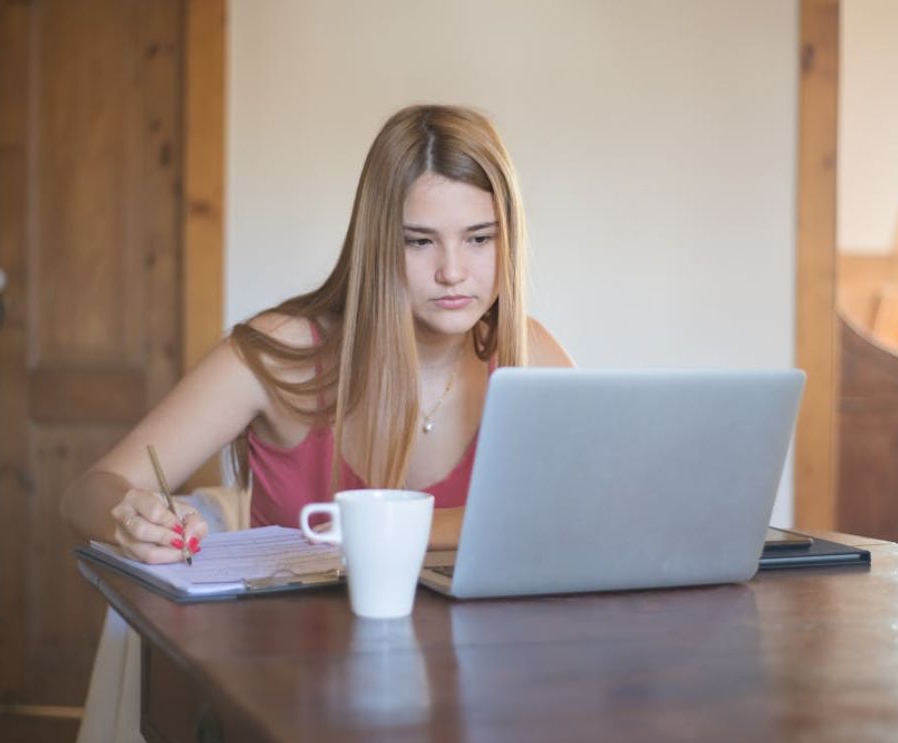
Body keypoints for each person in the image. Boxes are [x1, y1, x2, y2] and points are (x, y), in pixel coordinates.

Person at [62, 104, 574, 564]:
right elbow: (88, 492)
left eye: (479, 238)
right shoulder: (277, 356)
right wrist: (129, 518)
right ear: (375, 244)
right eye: (419, 242)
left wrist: (372, 529)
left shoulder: (530, 356)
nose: (452, 272)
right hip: (284, 662)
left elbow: (605, 513)